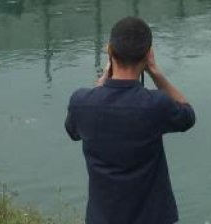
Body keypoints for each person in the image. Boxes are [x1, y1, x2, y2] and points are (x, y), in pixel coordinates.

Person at [65, 17, 196, 224]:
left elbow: (73, 131)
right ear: (148, 55)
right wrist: (156, 74)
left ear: (109, 51)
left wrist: (100, 86)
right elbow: (188, 115)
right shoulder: (156, 105)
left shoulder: (81, 102)